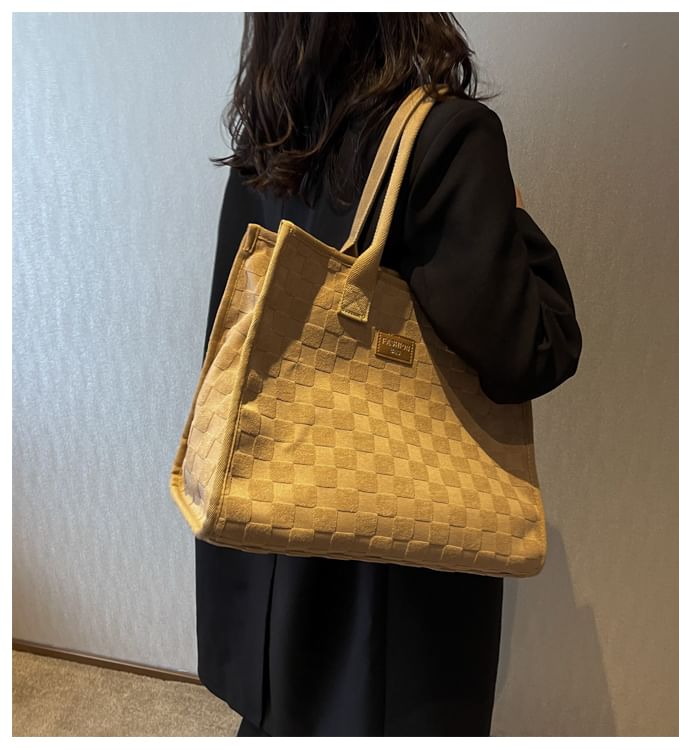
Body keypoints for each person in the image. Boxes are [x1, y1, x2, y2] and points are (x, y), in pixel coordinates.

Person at [194, 12, 583, 737]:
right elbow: (534, 349)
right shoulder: (446, 137)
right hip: (390, 568)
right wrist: (515, 216)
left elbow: (232, 330)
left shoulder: (269, 137)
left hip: (270, 529)